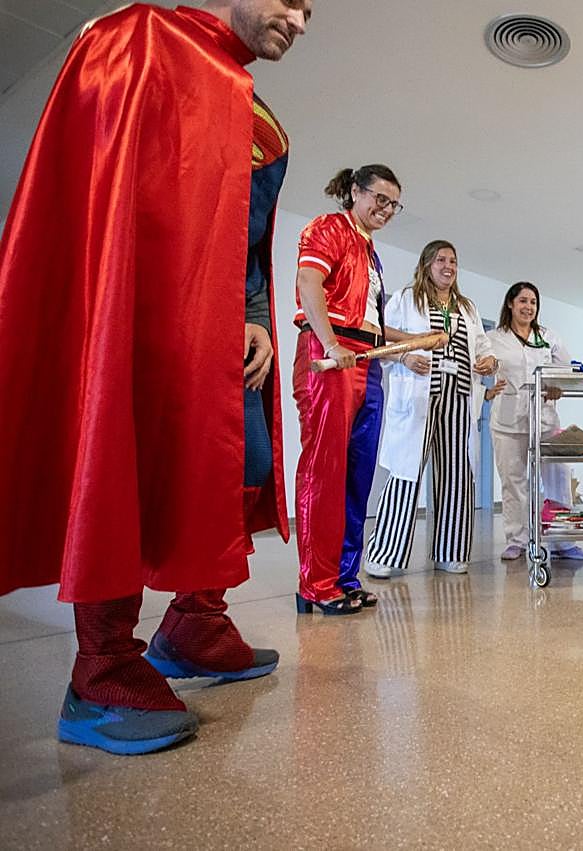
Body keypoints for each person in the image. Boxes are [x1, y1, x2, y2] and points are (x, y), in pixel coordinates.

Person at [0, 0, 312, 754]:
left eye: (310, 11)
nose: (299, 20)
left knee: (248, 461)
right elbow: (103, 192)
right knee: (126, 463)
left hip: (221, 325)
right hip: (143, 307)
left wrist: (258, 317)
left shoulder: (263, 119)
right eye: (289, 0)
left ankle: (193, 621)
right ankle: (100, 667)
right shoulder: (139, 39)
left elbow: (246, 240)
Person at [293, 164, 413, 615]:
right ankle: (315, 585)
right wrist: (327, 342)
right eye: (379, 199)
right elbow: (309, 285)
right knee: (325, 471)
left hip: (368, 360)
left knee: (357, 474)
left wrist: (402, 346)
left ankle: (343, 577)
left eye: (392, 204)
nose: (384, 209)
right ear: (355, 192)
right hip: (330, 356)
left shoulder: (370, 251)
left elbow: (371, 324)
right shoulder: (328, 228)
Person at [365, 241, 498, 576]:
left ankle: (451, 552)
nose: (448, 266)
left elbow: (483, 347)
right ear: (426, 264)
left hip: (459, 395)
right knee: (406, 475)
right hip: (419, 396)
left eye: (453, 260)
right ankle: (383, 555)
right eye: (441, 259)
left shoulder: (467, 307)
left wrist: (488, 361)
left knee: (457, 474)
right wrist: (406, 357)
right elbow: (380, 341)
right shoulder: (406, 299)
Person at [485, 282, 583, 562]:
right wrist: (484, 392)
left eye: (533, 302)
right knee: (513, 481)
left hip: (544, 419)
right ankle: (517, 540)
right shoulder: (493, 338)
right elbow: (478, 367)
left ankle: (561, 540)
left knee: (558, 475)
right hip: (508, 421)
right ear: (510, 303)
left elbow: (567, 372)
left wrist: (558, 386)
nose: (528, 307)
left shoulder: (548, 337)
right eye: (522, 301)